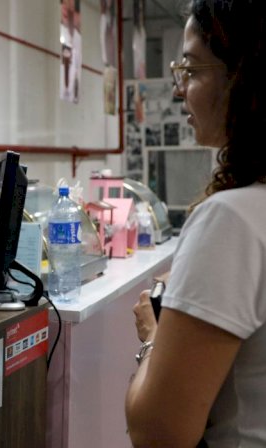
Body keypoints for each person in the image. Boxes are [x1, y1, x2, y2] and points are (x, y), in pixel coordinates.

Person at [126, 1, 266, 446]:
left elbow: (157, 432)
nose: (179, 89)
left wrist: (156, 335)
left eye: (192, 69)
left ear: (243, 77)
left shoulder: (231, 220)